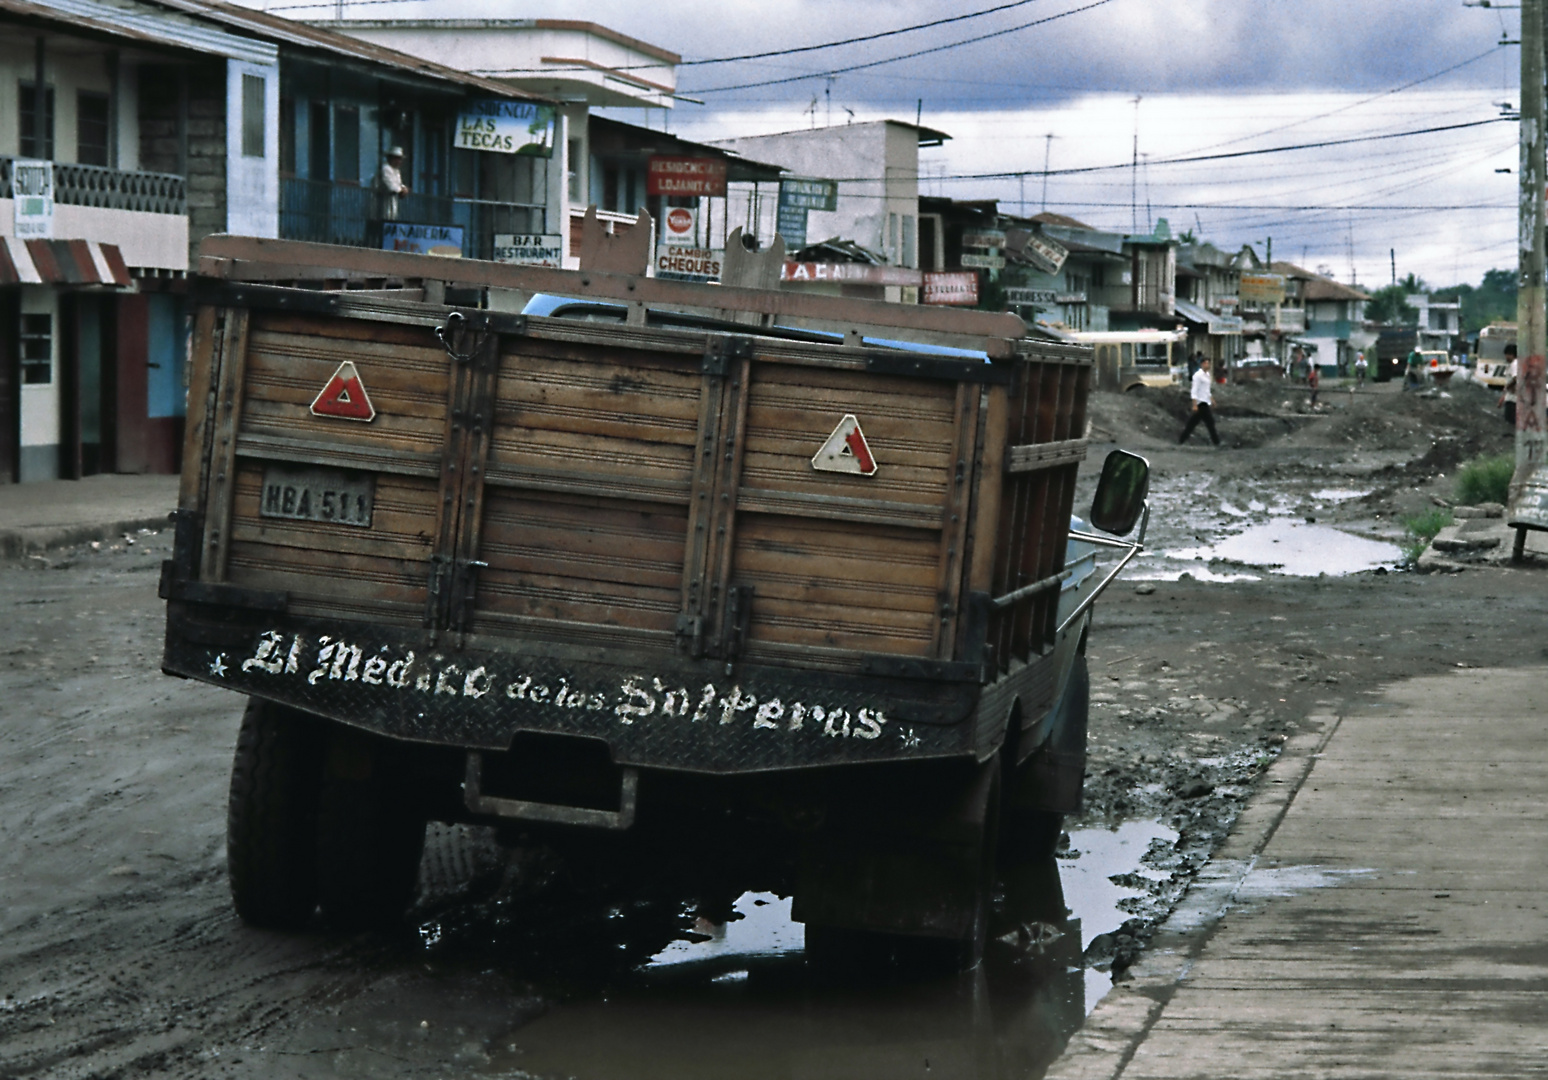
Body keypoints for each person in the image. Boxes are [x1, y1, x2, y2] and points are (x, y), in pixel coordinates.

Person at [1179, 356, 1222, 446]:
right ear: (1202, 364)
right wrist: (1194, 404)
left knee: (1192, 423)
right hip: (1200, 403)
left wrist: (1212, 400)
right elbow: (1194, 391)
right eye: (1206, 363)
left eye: (1209, 363)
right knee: (1210, 422)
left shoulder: (1207, 375)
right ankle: (1217, 442)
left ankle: (1181, 440)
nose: (1208, 365)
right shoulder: (1198, 376)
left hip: (1205, 401)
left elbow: (1206, 390)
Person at [376, 146, 410, 221]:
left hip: (392, 201)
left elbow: (399, 183)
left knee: (391, 218)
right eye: (397, 158)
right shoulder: (385, 169)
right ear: (391, 158)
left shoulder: (396, 171)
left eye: (400, 159)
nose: (399, 161)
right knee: (384, 218)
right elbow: (390, 186)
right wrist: (401, 190)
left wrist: (404, 188)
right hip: (383, 200)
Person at [1500, 343, 1518, 426]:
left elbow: (1516, 378)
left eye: (1507, 355)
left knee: (1510, 421)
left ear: (1512, 354)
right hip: (1511, 397)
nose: (1506, 357)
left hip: (1513, 399)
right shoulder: (1512, 364)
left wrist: (1508, 386)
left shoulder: (1515, 364)